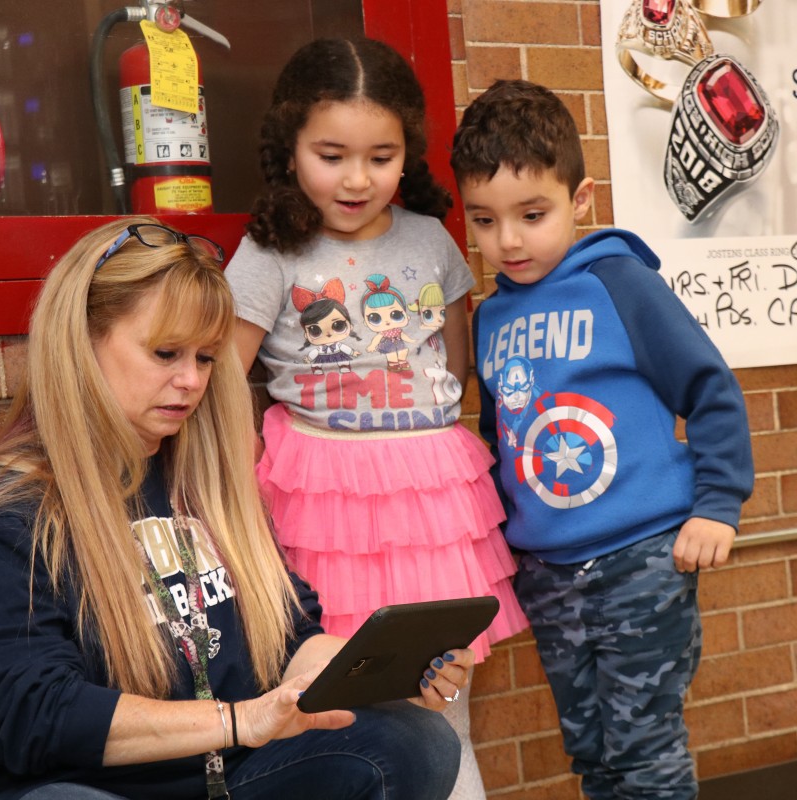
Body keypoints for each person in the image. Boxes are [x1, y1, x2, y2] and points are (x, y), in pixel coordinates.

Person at [0, 217, 469, 800]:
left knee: (413, 738)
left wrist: (395, 670)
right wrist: (238, 721)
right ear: (82, 343)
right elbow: (30, 712)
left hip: (224, 780)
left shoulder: (206, 483)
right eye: (165, 352)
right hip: (83, 788)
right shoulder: (11, 507)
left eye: (205, 358)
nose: (189, 380)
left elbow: (287, 642)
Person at [224, 38, 528, 800]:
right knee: (342, 702)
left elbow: (455, 358)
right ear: (290, 147)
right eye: (332, 154)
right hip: (327, 499)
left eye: (381, 156)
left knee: (444, 697)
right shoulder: (269, 252)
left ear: (407, 155)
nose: (358, 179)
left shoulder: (430, 238)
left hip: (429, 499)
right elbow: (226, 378)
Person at [452, 79, 755, 799]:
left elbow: (709, 388)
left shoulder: (621, 283)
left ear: (580, 200)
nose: (509, 241)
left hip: (642, 565)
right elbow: (504, 437)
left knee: (645, 753)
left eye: (532, 214)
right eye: (485, 221)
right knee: (590, 752)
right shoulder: (491, 318)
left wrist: (717, 505)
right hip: (551, 576)